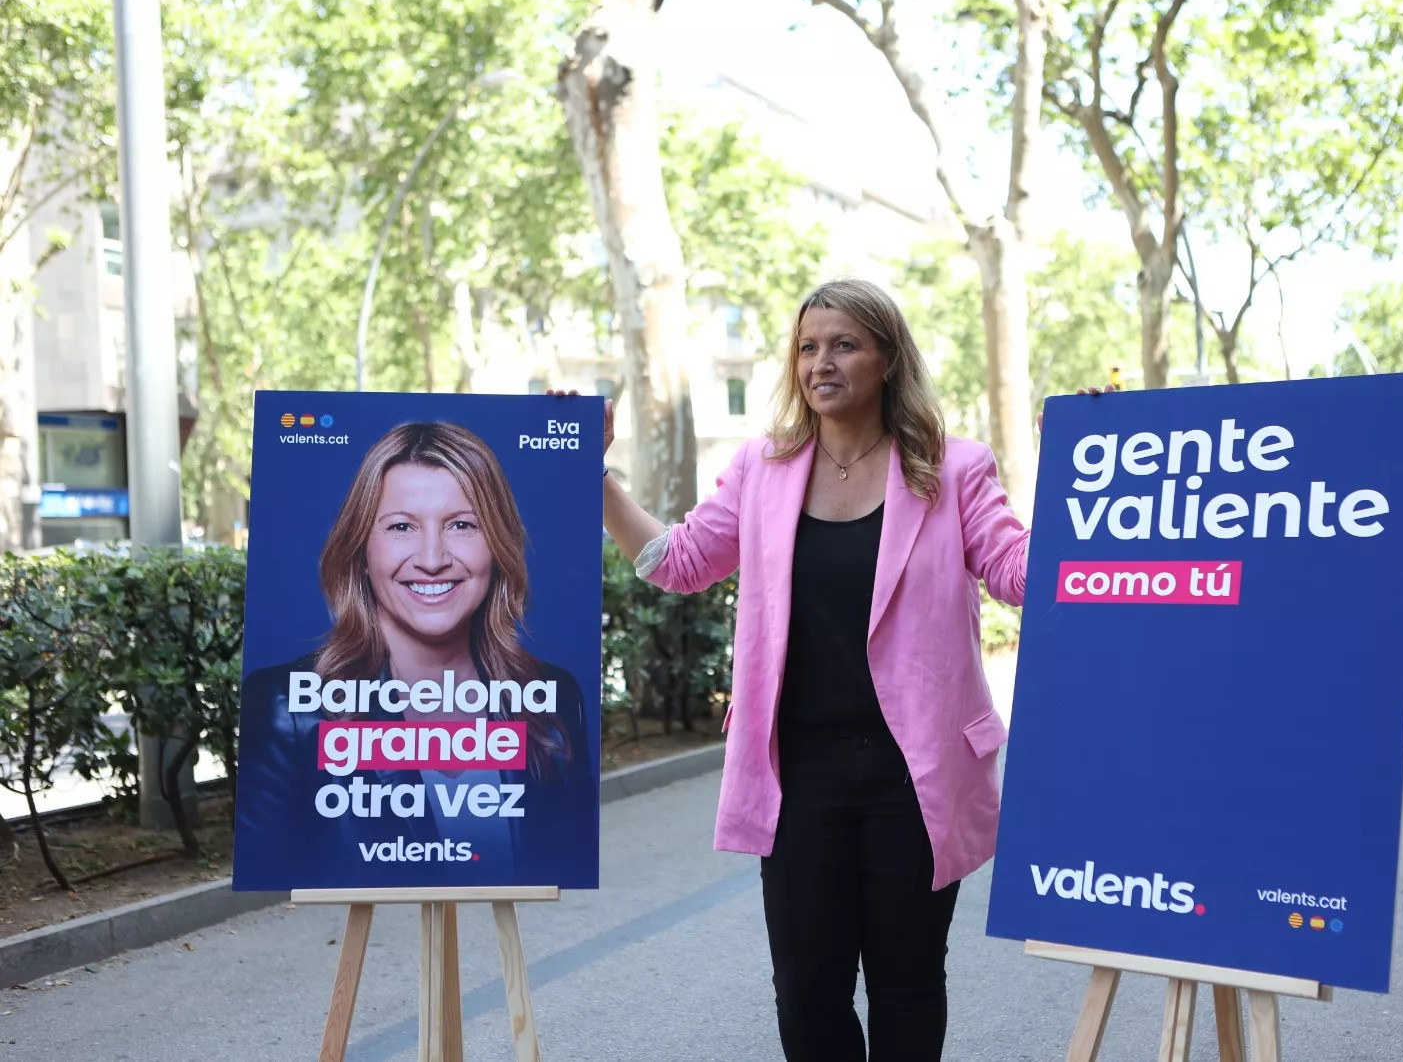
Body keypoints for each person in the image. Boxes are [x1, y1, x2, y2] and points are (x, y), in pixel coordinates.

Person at [587, 278, 1033, 1061]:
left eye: (844, 345)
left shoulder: (952, 470)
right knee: (805, 989)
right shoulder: (764, 471)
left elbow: (1018, 571)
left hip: (915, 773)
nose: (820, 362)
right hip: (797, 775)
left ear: (889, 359)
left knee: (908, 983)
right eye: (807, 346)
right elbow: (678, 561)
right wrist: (594, 476)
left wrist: (1093, 477)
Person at [235, 421, 594, 889]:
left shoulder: (553, 699)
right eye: (401, 526)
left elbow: (564, 856)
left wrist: (584, 435)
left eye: (463, 525)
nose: (431, 558)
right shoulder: (289, 709)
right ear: (362, 550)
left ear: (498, 547)